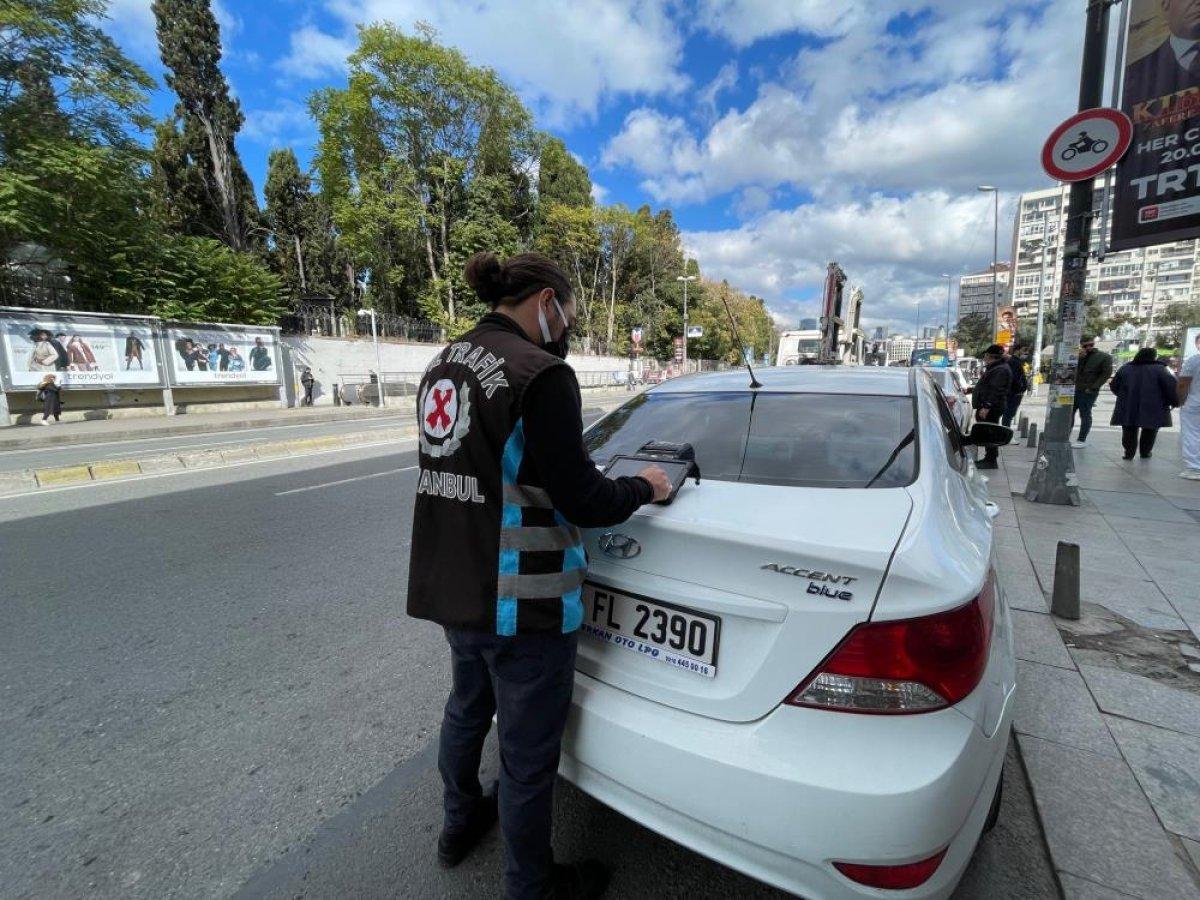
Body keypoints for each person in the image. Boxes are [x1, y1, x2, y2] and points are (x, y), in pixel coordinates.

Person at [407, 251, 672, 900]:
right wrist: (647, 485)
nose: (568, 328)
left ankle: (458, 824)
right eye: (569, 314)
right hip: (522, 602)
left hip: (455, 588)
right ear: (546, 302)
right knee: (526, 761)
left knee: (466, 711)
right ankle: (532, 887)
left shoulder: (444, 363)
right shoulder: (541, 373)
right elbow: (585, 498)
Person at [1109, 347, 1178, 460]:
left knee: (1129, 428)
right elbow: (1171, 387)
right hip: (1154, 404)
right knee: (1150, 429)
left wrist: (1124, 396)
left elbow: (1114, 386)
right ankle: (1145, 452)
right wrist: (1174, 401)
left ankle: (1129, 453)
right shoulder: (1161, 369)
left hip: (1128, 404)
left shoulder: (1125, 368)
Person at [971, 344, 1011, 470]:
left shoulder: (1000, 370)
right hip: (991, 406)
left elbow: (995, 390)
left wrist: (986, 406)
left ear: (990, 356)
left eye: (986, 355)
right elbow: (987, 386)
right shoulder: (996, 368)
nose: (984, 358)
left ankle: (991, 460)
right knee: (988, 431)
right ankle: (989, 458)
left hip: (992, 408)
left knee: (990, 432)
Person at [1071, 336, 1114, 449]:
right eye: (1085, 346)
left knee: (1085, 414)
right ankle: (1066, 436)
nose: (1088, 347)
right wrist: (1079, 359)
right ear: (1081, 345)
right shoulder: (1078, 356)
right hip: (1074, 390)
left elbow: (1106, 374)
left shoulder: (1104, 357)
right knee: (1069, 413)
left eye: (1091, 345)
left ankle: (1081, 439)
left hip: (1088, 391)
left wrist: (1093, 387)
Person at [1180, 344, 1200, 479]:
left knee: (1192, 433)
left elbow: (1183, 384)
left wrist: (1181, 400)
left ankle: (1194, 468)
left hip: (1195, 402)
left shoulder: (1194, 360)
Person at [1001, 346, 1029, 427]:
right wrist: (1020, 389)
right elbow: (1014, 378)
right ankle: (1005, 432)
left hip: (1014, 393)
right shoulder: (1014, 362)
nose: (1025, 353)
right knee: (1008, 415)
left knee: (1008, 415)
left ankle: (1005, 430)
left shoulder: (1016, 361)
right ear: (1017, 350)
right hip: (1013, 394)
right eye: (1024, 350)